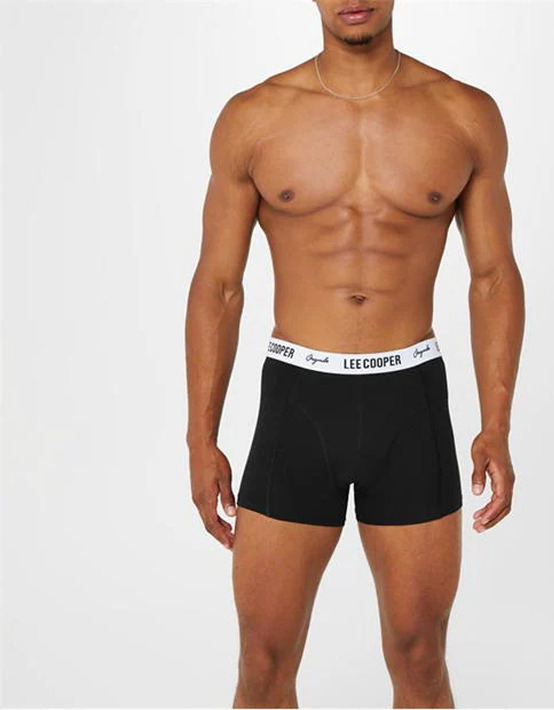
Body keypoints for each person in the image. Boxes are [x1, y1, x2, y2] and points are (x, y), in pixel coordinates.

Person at [185, 1, 525, 707]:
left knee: (421, 657)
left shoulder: (464, 114)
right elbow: (219, 285)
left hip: (410, 402)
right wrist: (200, 437)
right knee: (263, 661)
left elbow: (493, 277)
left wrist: (497, 424)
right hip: (297, 401)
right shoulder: (254, 118)